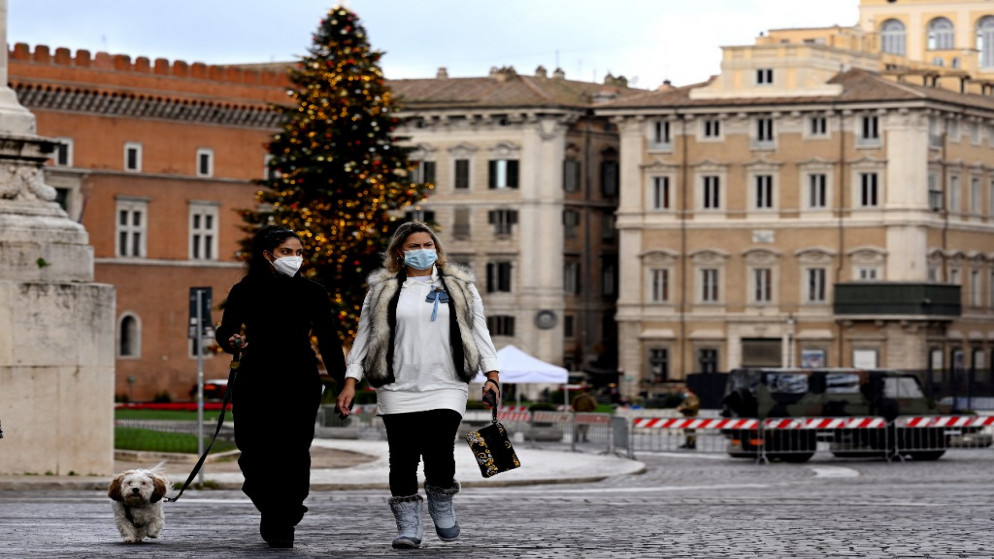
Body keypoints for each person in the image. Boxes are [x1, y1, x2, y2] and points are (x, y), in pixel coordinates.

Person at [336, 221, 500, 550]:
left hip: (447, 383)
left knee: (439, 451)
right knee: (403, 458)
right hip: (396, 385)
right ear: (399, 251)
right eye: (414, 246)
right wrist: (350, 381)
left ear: (437, 250)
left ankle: (441, 502)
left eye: (428, 245)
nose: (423, 251)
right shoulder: (381, 289)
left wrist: (492, 374)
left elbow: (479, 331)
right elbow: (363, 338)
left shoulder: (460, 287)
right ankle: (409, 525)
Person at [215, 225, 346, 548]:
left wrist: (344, 383)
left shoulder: (313, 292)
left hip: (299, 378)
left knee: (294, 451)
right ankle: (274, 506)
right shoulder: (245, 289)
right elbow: (226, 330)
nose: (295, 258)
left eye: (299, 252)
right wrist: (230, 340)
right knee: (253, 451)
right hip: (255, 378)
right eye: (287, 252)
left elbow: (329, 339)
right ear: (267, 255)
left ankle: (284, 513)